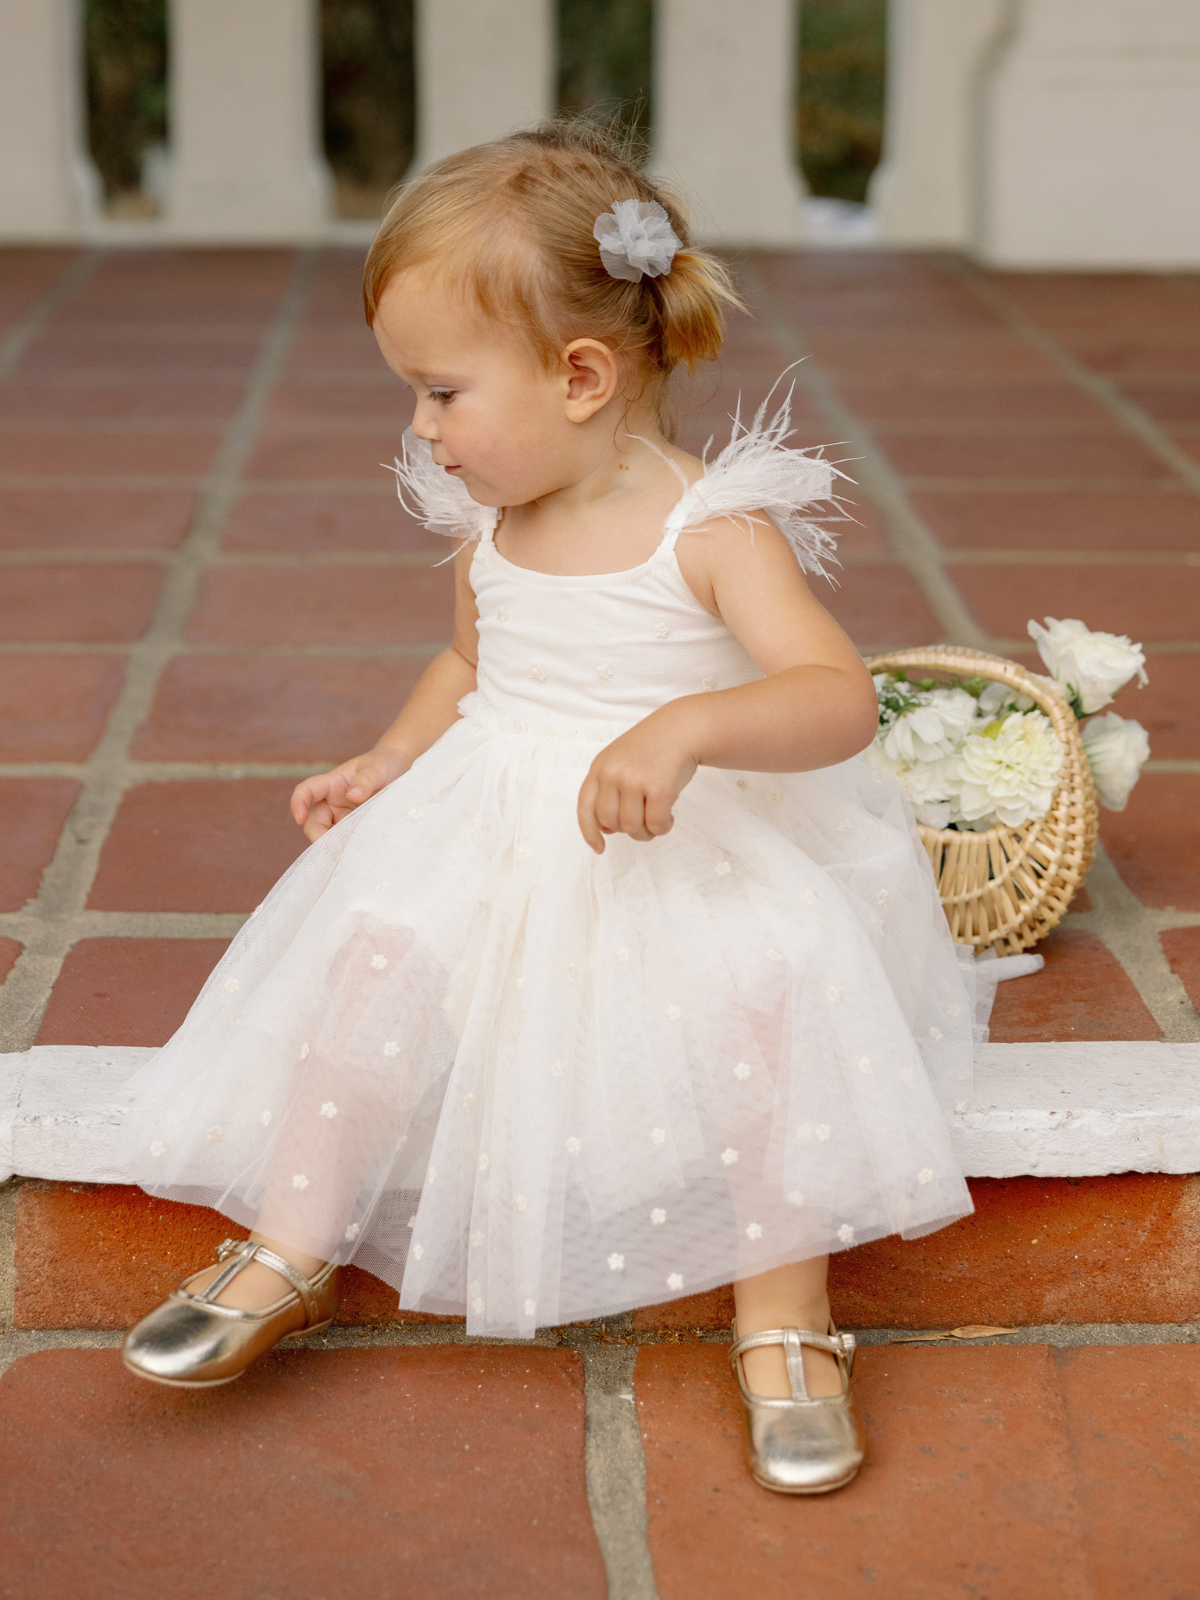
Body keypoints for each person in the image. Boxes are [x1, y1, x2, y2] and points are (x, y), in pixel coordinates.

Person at [121, 120, 975, 1496]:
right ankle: (286, 1242)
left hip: (678, 845)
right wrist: (391, 759)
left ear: (580, 375)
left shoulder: (709, 529)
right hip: (495, 818)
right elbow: (471, 659)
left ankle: (786, 1320)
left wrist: (693, 724)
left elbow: (836, 695)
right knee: (376, 955)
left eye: (440, 392)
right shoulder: (492, 524)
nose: (418, 426)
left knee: (770, 991)